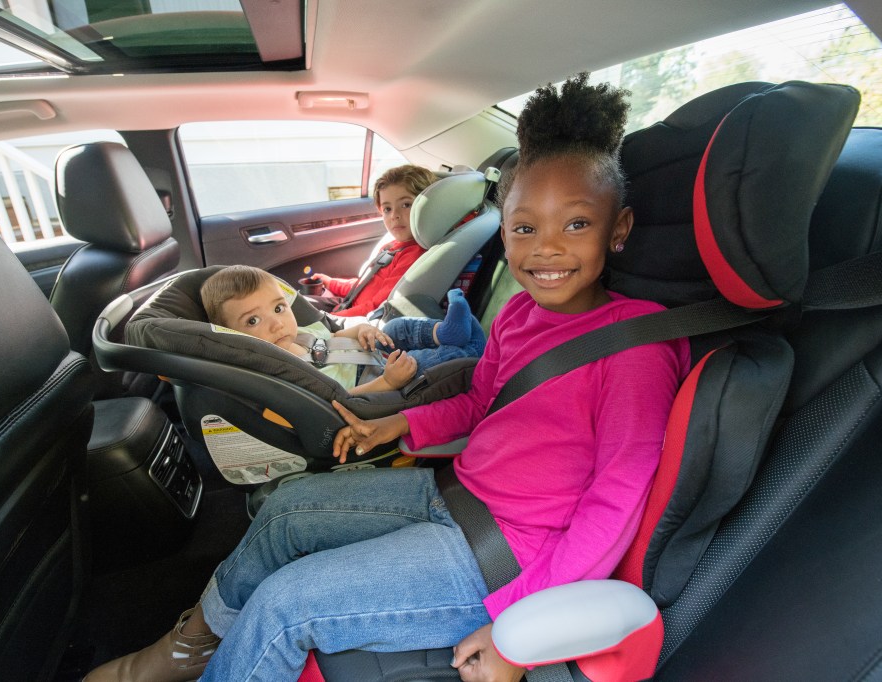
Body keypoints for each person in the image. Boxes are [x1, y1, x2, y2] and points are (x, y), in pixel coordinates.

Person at [84, 73, 690, 682]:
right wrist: (397, 424)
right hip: (456, 495)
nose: (546, 249)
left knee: (287, 604)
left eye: (576, 225)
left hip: (507, 555)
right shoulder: (519, 313)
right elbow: (480, 402)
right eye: (525, 227)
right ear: (504, 230)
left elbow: (616, 503)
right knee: (286, 510)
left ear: (619, 230)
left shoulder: (636, 346)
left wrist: (520, 629)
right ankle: (192, 648)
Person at [199, 264, 485, 396]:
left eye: (278, 308)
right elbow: (339, 400)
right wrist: (388, 383)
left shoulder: (296, 333)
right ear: (232, 335)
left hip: (367, 352)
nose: (277, 323)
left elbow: (332, 338)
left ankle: (443, 334)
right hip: (374, 384)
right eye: (252, 321)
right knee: (418, 365)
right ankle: (468, 351)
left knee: (394, 327)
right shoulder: (279, 370)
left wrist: (360, 330)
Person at [308, 164, 437, 317]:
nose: (394, 215)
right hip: (346, 306)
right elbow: (364, 286)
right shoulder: (393, 246)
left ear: (427, 207)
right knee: (291, 300)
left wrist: (331, 319)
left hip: (358, 321)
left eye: (406, 205)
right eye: (387, 209)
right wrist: (331, 282)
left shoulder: (413, 255)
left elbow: (378, 307)